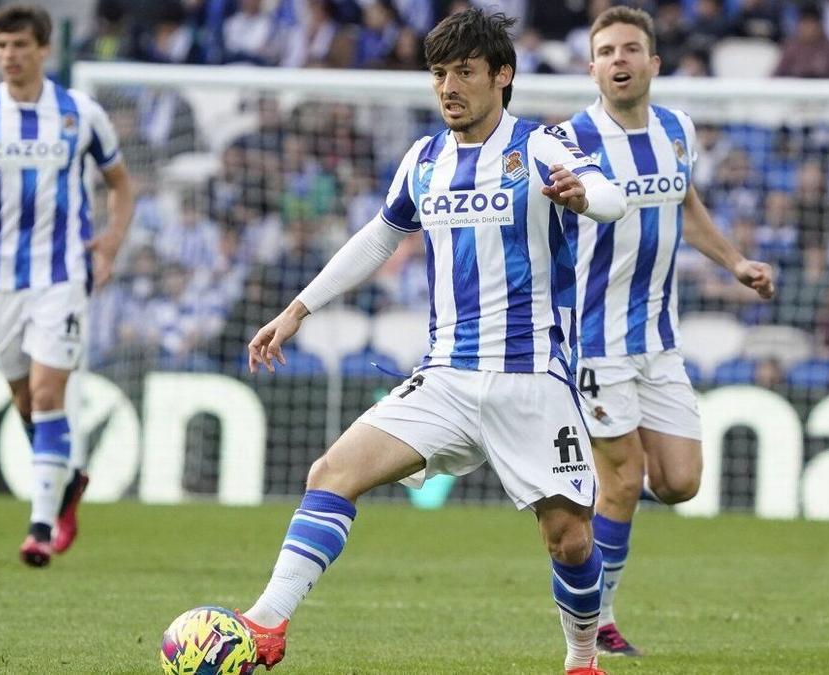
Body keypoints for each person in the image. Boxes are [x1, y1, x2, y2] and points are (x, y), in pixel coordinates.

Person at [238, 9, 626, 674]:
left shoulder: (539, 146)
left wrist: (580, 195)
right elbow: (380, 238)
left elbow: (610, 194)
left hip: (530, 378)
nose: (449, 86)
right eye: (440, 73)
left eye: (465, 72)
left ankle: (582, 655)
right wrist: (299, 308)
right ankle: (265, 622)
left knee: (568, 539)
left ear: (501, 76)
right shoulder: (424, 159)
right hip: (444, 375)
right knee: (331, 473)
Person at [558, 7, 774, 657]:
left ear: (654, 63)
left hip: (658, 336)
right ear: (591, 66)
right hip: (595, 339)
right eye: (605, 51)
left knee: (679, 481)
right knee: (622, 480)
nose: (618, 59)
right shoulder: (569, 140)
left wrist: (735, 260)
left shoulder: (678, 130)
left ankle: (582, 527)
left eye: (630, 49)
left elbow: (686, 204)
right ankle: (596, 620)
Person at [0, 4, 134, 567]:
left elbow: (121, 185)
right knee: (24, 400)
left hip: (63, 273)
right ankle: (67, 486)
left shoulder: (79, 113)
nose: (9, 56)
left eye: (20, 45)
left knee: (47, 395)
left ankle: (40, 528)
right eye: (0, 47)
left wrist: (111, 241)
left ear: (44, 49)